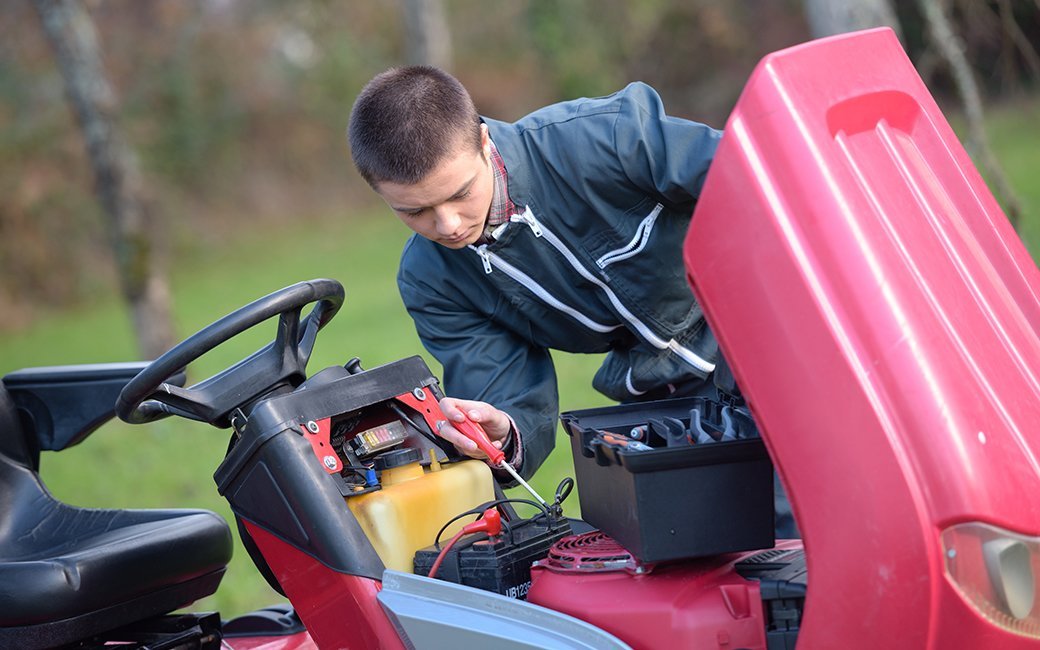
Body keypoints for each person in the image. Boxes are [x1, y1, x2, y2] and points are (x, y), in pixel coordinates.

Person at [348, 66, 796, 537]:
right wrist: (504, 428)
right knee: (694, 549)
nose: (448, 225)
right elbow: (505, 389)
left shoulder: (603, 137)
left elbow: (758, 177)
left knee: (795, 532)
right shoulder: (431, 279)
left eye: (460, 194)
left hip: (771, 336)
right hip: (666, 397)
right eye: (414, 211)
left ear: (484, 143)